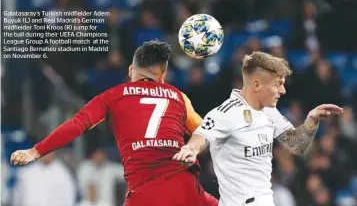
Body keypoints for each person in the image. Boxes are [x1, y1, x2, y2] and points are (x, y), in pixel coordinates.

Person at [10, 40, 218, 206]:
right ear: (162, 75)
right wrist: (192, 147)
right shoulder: (178, 96)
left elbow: (76, 124)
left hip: (146, 195)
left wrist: (35, 151)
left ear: (130, 70)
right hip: (188, 191)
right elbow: (207, 132)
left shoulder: (112, 97)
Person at [173, 51, 343, 206]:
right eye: (278, 84)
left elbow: (296, 145)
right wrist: (190, 150)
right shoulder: (225, 113)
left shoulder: (269, 111)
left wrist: (311, 120)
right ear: (256, 85)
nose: (283, 90)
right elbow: (201, 137)